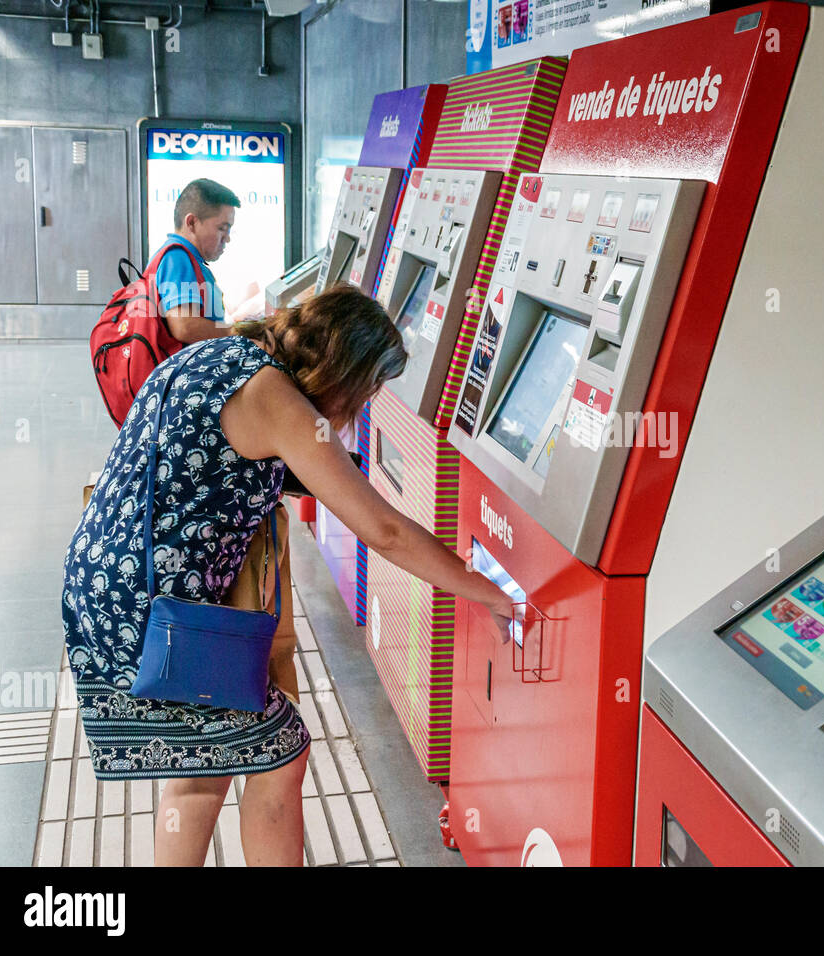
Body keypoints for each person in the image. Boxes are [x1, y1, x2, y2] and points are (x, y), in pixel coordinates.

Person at [63, 285, 515, 866]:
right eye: (370, 388)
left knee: (210, 759)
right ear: (345, 372)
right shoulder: (274, 397)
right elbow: (385, 532)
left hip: (104, 586)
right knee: (279, 748)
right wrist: (489, 594)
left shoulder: (230, 352)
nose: (366, 403)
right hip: (153, 618)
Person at [155, 178, 239, 343]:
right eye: (222, 228)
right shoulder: (177, 257)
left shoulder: (189, 260)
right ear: (192, 222)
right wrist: (238, 333)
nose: (227, 239)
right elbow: (184, 327)